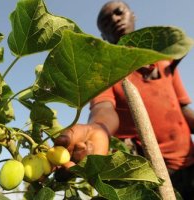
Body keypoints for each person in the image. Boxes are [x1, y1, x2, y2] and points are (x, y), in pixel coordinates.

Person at [54, 1, 194, 199]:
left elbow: (182, 110)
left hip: (191, 158)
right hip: (158, 173)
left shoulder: (164, 61)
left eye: (119, 12)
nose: (114, 19)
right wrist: (98, 129)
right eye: (105, 20)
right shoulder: (104, 71)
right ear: (103, 36)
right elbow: (103, 108)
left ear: (133, 15)